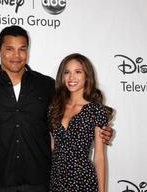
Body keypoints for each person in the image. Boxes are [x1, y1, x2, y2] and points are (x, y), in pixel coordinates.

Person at [0, 25, 113, 192]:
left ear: (28, 51)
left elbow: (74, 114)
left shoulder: (47, 85)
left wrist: (102, 130)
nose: (16, 55)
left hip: (41, 182)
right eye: (9, 49)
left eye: (22, 49)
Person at [48, 53, 114, 192]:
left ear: (87, 76)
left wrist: (101, 191)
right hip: (56, 179)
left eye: (78, 72)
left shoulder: (96, 110)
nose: (71, 77)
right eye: (67, 72)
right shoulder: (54, 108)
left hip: (83, 179)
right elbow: (52, 147)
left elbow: (99, 156)